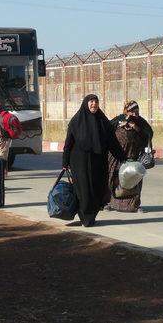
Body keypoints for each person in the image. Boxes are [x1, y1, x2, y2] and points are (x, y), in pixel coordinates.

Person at [62, 94, 126, 227]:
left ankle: (91, 215)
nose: (94, 104)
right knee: (83, 190)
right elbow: (68, 143)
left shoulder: (103, 121)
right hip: (79, 163)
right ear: (86, 103)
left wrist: (123, 157)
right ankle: (85, 217)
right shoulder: (76, 121)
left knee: (97, 189)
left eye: (96, 102)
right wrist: (65, 162)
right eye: (91, 102)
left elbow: (112, 143)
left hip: (99, 162)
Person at [106, 100, 154, 212]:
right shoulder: (118, 120)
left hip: (133, 155)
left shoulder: (141, 122)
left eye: (136, 111)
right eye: (132, 111)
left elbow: (148, 135)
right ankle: (112, 203)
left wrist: (136, 127)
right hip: (116, 156)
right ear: (126, 111)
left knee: (134, 178)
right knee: (115, 178)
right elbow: (107, 132)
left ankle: (134, 205)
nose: (134, 114)